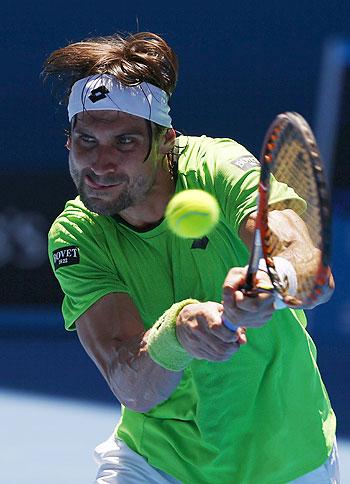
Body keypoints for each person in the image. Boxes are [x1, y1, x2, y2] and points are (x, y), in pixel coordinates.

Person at [43, 32, 339, 483]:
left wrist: (270, 285)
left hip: (286, 457)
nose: (100, 163)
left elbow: (310, 269)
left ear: (165, 141)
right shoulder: (76, 234)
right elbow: (132, 387)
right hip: (155, 462)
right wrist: (176, 334)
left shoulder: (219, 166)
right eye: (87, 140)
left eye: (124, 142)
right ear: (69, 142)